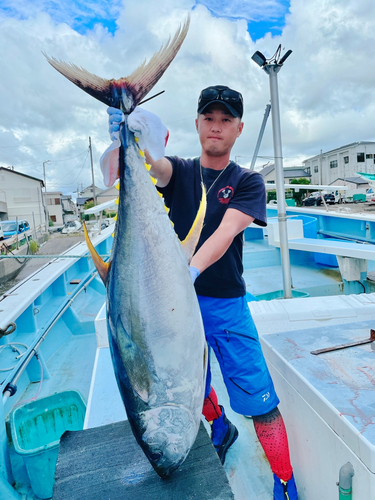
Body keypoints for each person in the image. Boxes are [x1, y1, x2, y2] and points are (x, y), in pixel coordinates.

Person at [103, 85, 298, 500]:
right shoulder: (181, 171)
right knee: (190, 378)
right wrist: (127, 137)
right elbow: (149, 169)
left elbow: (226, 233)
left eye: (226, 119)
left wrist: (186, 270)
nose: (216, 126)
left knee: (259, 396)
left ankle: (284, 482)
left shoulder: (247, 182)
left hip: (226, 305)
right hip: (173, 305)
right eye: (209, 118)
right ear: (196, 124)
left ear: (239, 128)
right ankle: (220, 427)